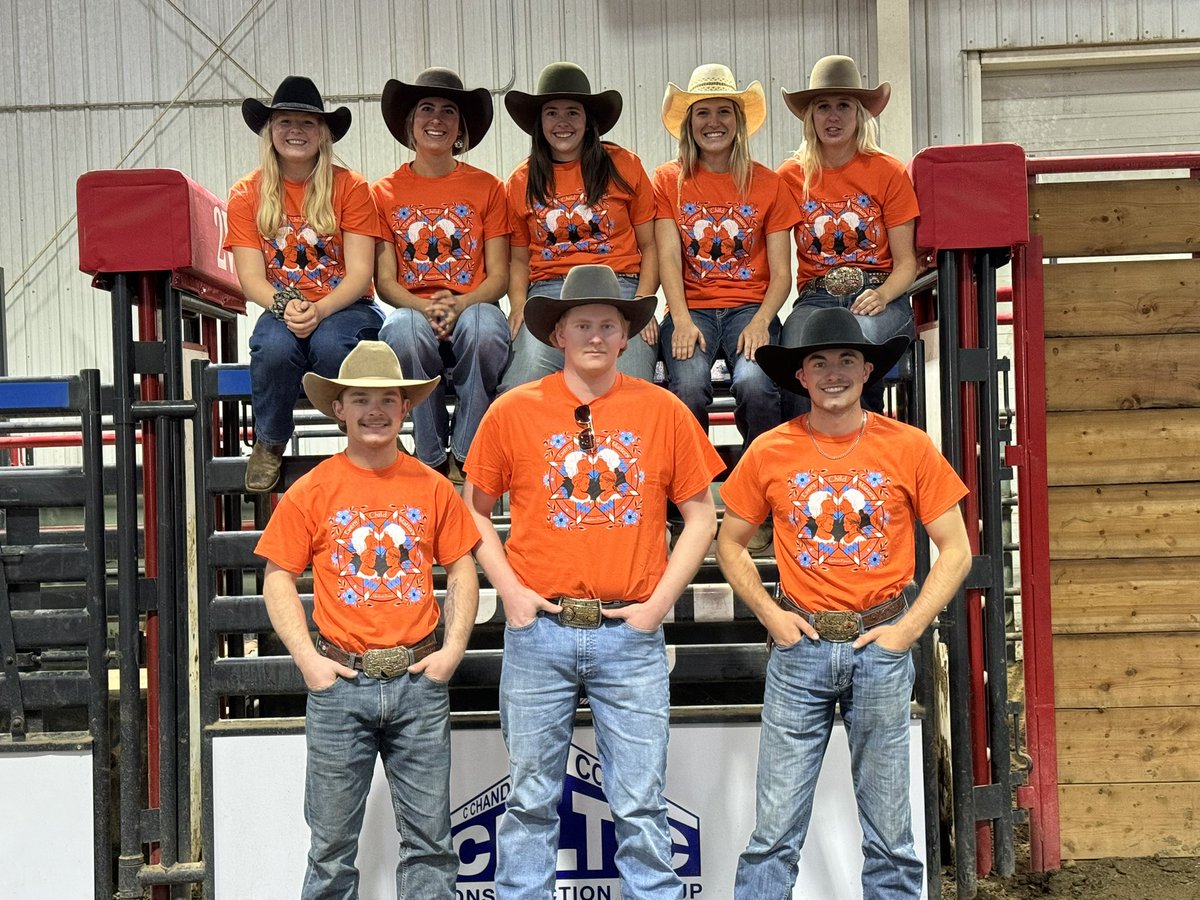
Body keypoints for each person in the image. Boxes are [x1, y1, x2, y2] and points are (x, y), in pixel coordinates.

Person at [463, 265, 724, 898]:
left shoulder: (661, 410)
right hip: (540, 630)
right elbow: (471, 508)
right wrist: (512, 595)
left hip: (629, 630)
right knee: (528, 802)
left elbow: (701, 516)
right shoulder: (512, 411)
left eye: (609, 325)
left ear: (626, 335)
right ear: (557, 334)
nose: (597, 336)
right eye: (583, 324)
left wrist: (659, 603)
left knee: (639, 805)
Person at [716, 307, 972, 899]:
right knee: (774, 831)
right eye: (820, 362)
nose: (834, 373)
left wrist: (907, 631)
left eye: (847, 360)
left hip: (880, 645)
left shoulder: (908, 447)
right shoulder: (769, 451)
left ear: (867, 371)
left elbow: (956, 548)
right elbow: (729, 543)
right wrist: (771, 616)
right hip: (799, 646)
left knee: (891, 834)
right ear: (801, 376)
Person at [256, 340, 480, 898]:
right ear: (339, 409)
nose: (375, 410)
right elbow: (276, 577)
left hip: (416, 682)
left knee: (431, 845)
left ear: (406, 409)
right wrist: (308, 660)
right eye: (361, 399)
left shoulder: (432, 488)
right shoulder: (310, 491)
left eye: (387, 399)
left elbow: (463, 569)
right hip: (339, 685)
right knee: (330, 851)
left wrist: (451, 651)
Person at [654, 63, 800, 555]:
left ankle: (754, 501)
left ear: (738, 121)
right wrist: (678, 317)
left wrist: (762, 320)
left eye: (723, 111)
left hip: (748, 308)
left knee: (757, 384)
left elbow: (783, 272)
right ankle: (685, 506)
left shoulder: (768, 183)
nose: (713, 121)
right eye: (702, 113)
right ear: (688, 123)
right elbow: (669, 258)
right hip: (691, 307)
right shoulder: (668, 181)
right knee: (687, 387)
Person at [226, 75, 386, 493]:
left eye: (307, 123)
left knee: (333, 345)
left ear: (323, 134)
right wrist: (285, 306)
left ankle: (369, 438)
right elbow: (250, 279)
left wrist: (321, 309)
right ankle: (270, 440)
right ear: (271, 132)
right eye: (285, 123)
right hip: (283, 304)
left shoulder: (351, 187)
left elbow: (359, 274)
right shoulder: (246, 193)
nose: (296, 131)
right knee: (273, 348)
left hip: (344, 304)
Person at [374, 67, 511, 483]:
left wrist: (459, 303)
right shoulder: (383, 192)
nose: (437, 119)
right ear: (410, 124)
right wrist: (426, 306)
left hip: (473, 306)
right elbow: (385, 281)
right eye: (426, 109)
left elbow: (499, 276)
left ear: (460, 128)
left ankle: (469, 452)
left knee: (486, 328)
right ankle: (431, 455)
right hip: (414, 308)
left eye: (448, 111)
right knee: (401, 330)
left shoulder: (488, 188)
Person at [499, 61, 659, 391]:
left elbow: (651, 245)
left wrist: (643, 301)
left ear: (588, 121)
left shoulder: (623, 165)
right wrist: (518, 308)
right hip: (549, 293)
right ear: (539, 122)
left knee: (630, 386)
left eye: (572, 112)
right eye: (552, 113)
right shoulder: (520, 180)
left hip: (618, 288)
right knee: (522, 386)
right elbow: (517, 259)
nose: (562, 122)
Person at [777, 55, 920, 417]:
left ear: (860, 113)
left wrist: (884, 294)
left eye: (844, 106)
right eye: (823, 107)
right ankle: (800, 464)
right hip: (815, 298)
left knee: (857, 344)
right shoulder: (790, 177)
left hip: (879, 293)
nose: (834, 116)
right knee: (794, 351)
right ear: (811, 116)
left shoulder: (888, 172)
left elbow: (907, 263)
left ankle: (862, 451)